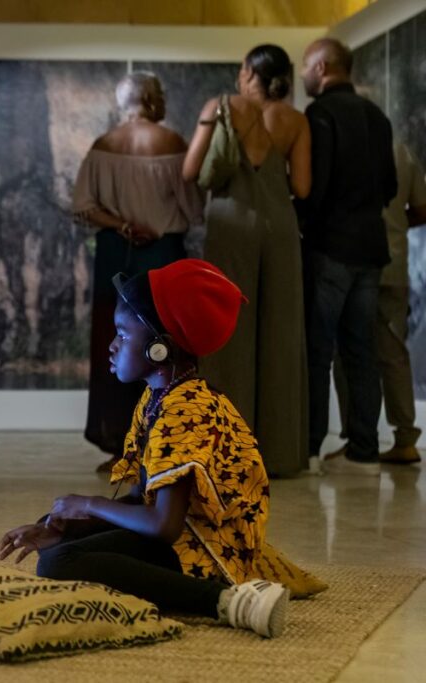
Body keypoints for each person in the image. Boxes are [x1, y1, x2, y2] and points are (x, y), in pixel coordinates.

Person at [0, 259, 291, 639]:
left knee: (59, 563)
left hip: (210, 551)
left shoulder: (185, 409)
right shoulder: (160, 397)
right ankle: (67, 539)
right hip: (181, 532)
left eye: (122, 333)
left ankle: (228, 600)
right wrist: (65, 528)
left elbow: (164, 527)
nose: (112, 345)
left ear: (159, 350)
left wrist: (86, 506)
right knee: (59, 531)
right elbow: (142, 500)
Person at [183, 44, 312, 478]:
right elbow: (304, 187)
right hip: (279, 228)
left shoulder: (220, 106)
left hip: (230, 224)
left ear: (250, 72)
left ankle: (225, 451)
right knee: (281, 336)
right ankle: (277, 456)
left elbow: (190, 170)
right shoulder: (295, 120)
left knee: (227, 332)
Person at [72, 71, 203, 473]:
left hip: (116, 253)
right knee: (169, 348)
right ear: (155, 99)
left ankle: (120, 446)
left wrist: (122, 225)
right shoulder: (174, 144)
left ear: (122, 101)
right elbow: (193, 209)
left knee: (116, 347)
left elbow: (83, 207)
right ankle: (168, 440)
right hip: (163, 257)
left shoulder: (102, 146)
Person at [299, 38, 397, 476]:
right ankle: (365, 447)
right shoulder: (377, 116)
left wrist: (301, 221)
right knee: (361, 351)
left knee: (319, 351)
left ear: (321, 67)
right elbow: (390, 187)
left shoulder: (319, 114)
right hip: (371, 249)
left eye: (306, 66)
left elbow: (314, 189)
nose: (303, 75)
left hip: (330, 248)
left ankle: (310, 445)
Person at [331, 143, 426, 465]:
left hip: (353, 260)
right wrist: (396, 223)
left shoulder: (344, 146)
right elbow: (422, 208)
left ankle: (358, 436)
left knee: (348, 352)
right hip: (394, 262)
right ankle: (405, 435)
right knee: (392, 351)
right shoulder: (402, 151)